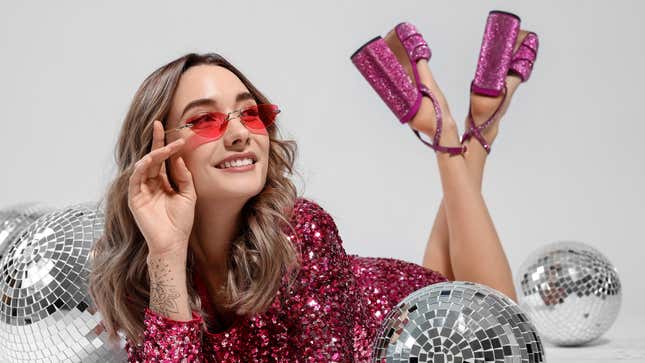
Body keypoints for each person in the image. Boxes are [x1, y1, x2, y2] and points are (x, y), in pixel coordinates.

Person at [88, 10, 538, 362]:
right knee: (452, 279)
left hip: (422, 330)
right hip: (403, 314)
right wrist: (166, 254)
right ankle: (468, 127)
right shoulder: (143, 269)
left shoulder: (304, 231)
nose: (241, 133)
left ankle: (451, 132)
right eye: (205, 119)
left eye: (250, 113)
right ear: (156, 150)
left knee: (506, 332)